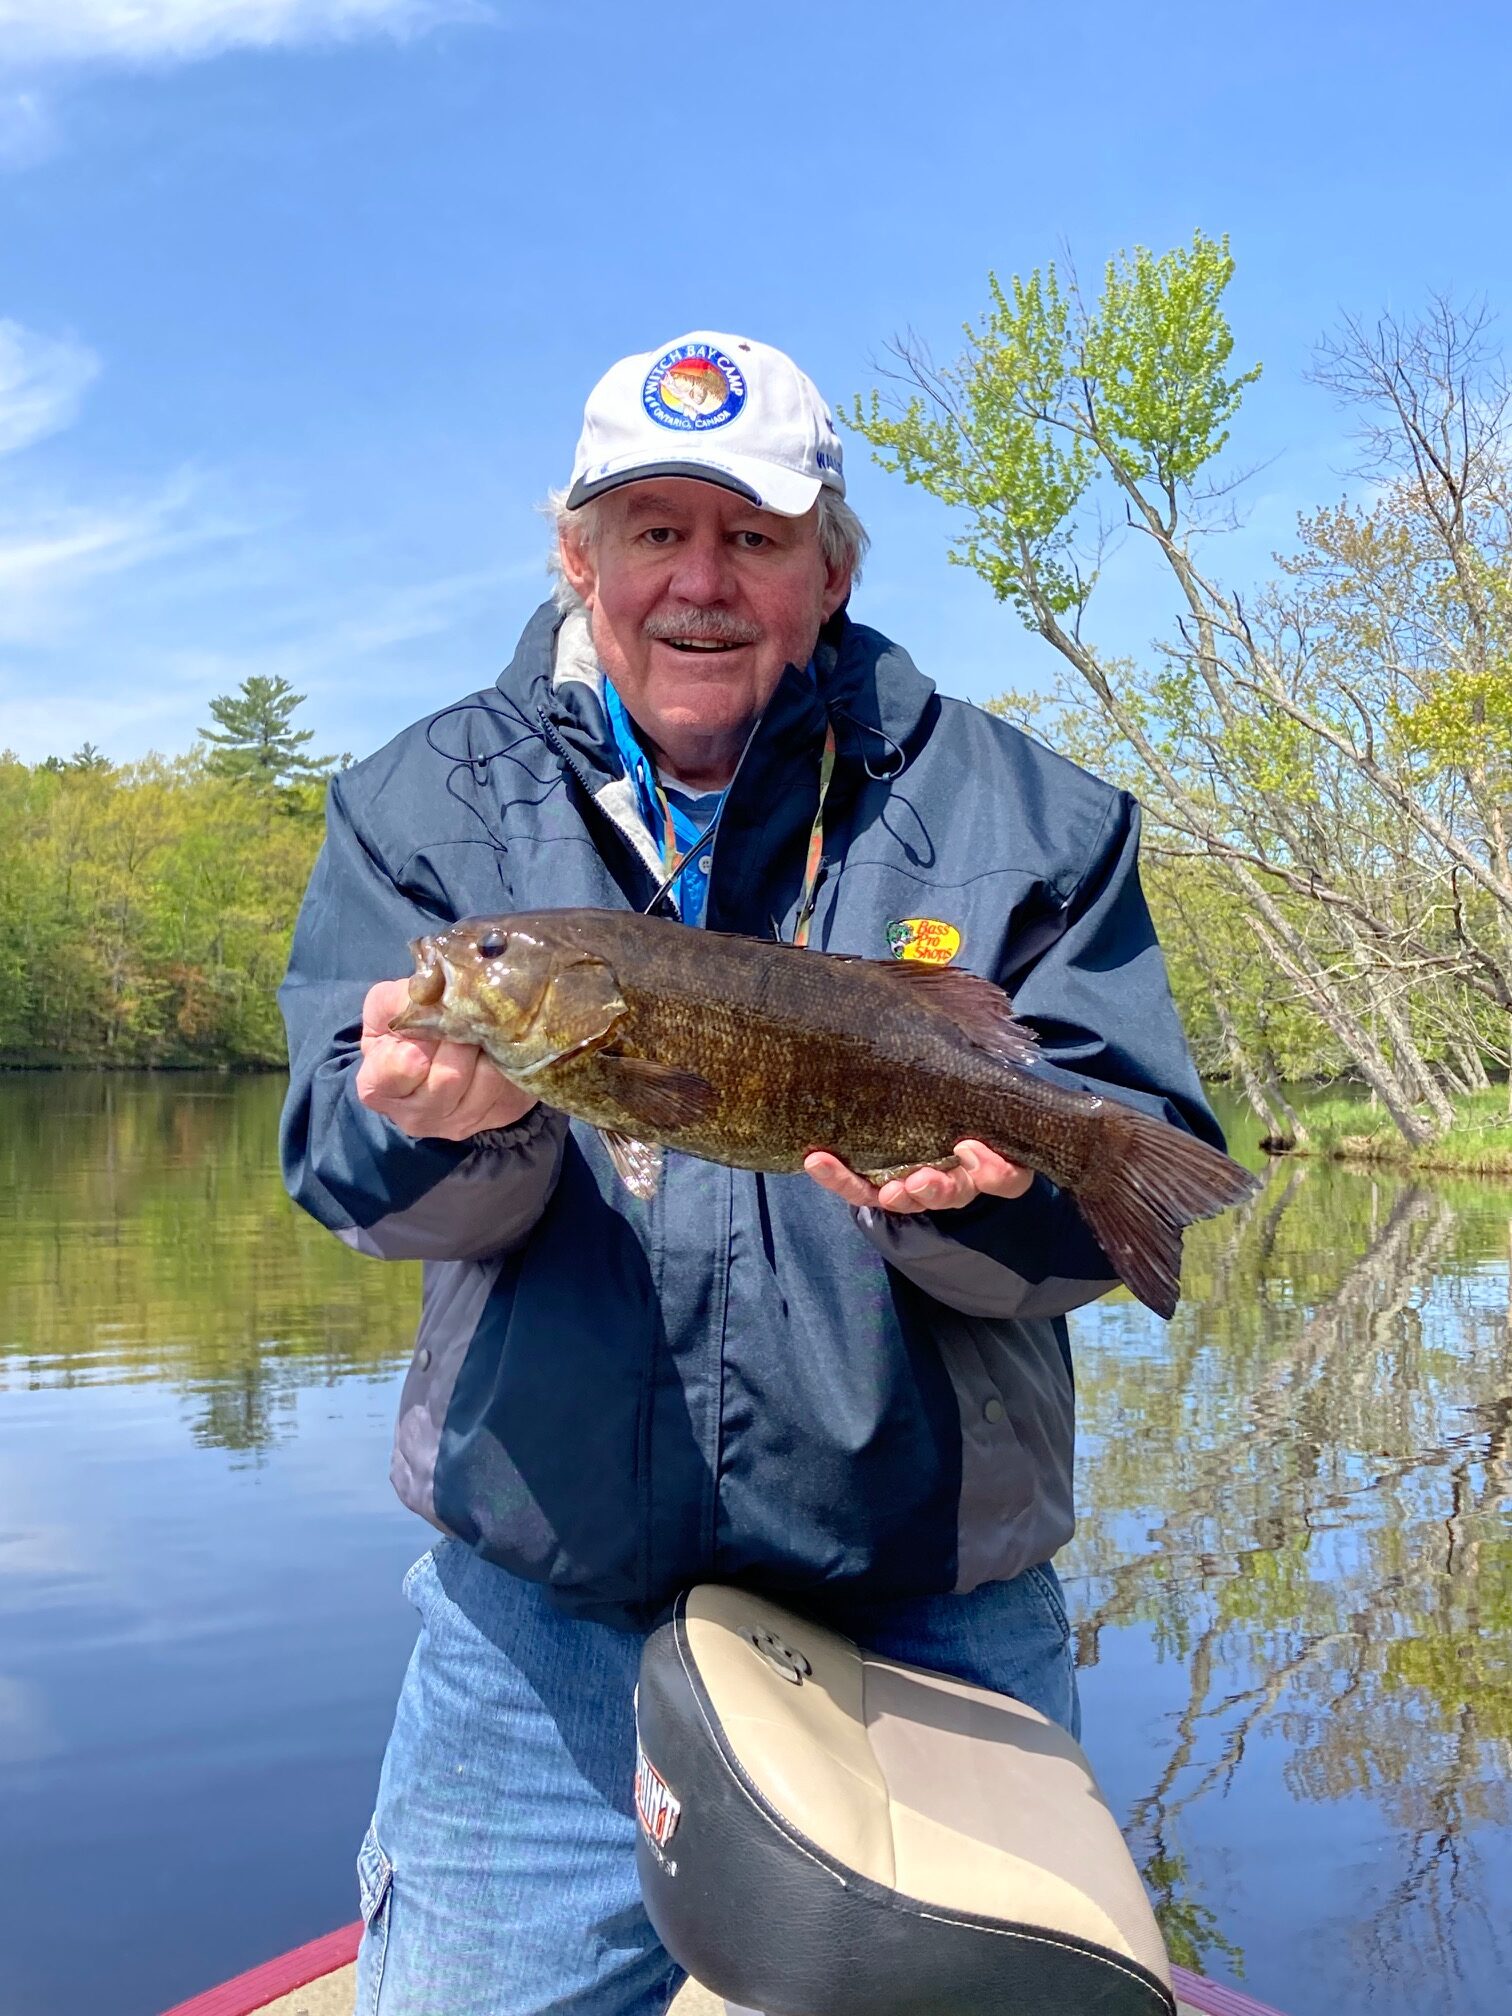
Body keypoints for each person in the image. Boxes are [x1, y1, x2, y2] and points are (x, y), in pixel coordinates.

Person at [278, 329, 1222, 2016]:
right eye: (652, 530)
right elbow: (359, 1187)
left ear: (829, 568)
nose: (698, 584)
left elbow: (1106, 1192)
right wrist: (442, 1121)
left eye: (754, 538)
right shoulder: (417, 802)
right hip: (539, 1628)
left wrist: (992, 1199)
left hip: (928, 1620)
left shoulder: (1030, 814)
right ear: (579, 556)